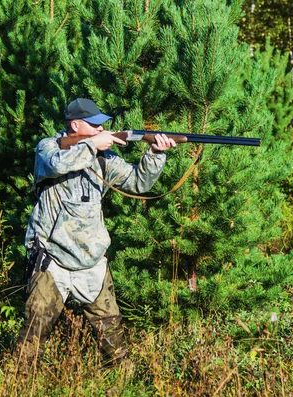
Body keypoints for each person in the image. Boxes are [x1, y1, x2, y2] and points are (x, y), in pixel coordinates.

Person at [17, 98, 176, 364]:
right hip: (52, 259)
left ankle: (124, 381)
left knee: (113, 337)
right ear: (75, 124)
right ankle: (17, 383)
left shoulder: (104, 158)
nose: (101, 131)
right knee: (33, 334)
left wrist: (156, 154)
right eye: (94, 126)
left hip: (91, 261)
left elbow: (138, 184)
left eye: (102, 126)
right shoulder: (48, 148)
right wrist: (91, 145)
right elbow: (57, 164)